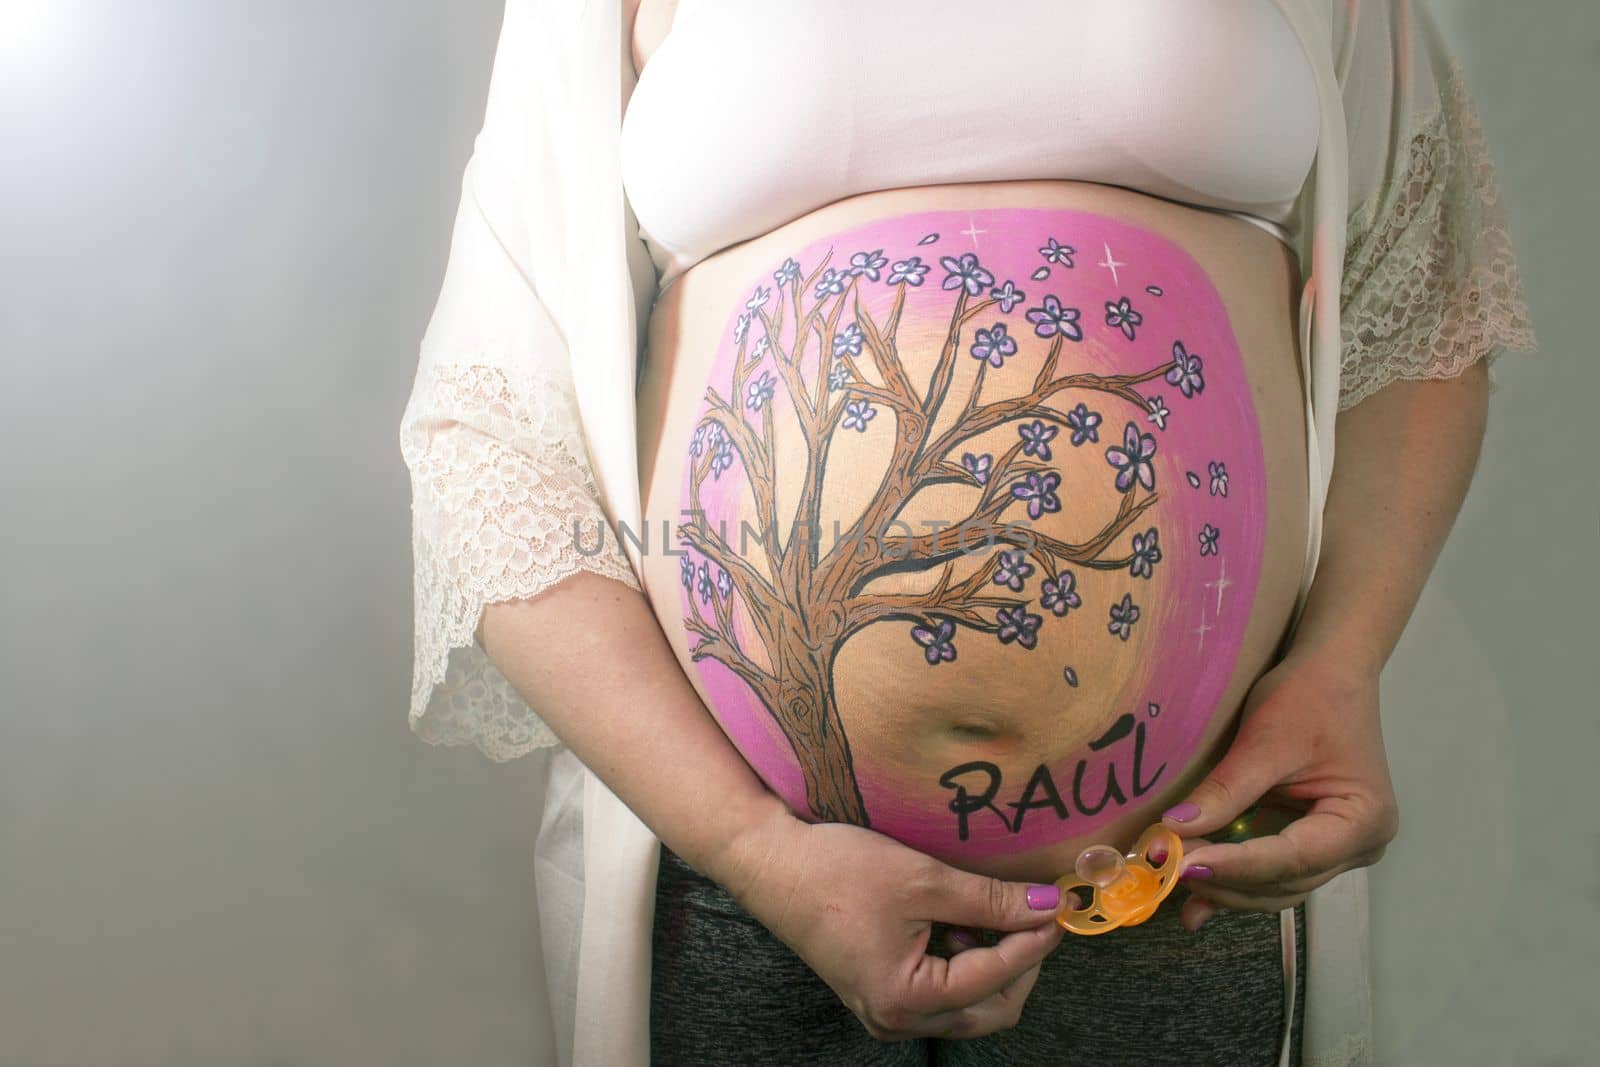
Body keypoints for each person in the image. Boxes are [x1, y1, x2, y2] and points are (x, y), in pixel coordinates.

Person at [397, 1, 1537, 1063]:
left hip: (1180, 870)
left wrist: (1340, 661)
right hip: (750, 887)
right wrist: (753, 847)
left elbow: (1420, 312)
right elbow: (486, 438)